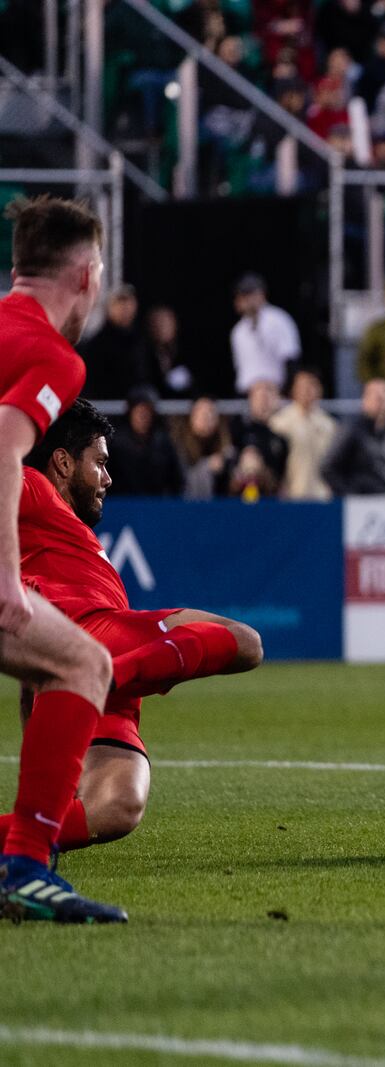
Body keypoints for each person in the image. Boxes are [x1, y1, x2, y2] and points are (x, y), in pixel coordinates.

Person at [4, 400, 262, 869]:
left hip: (98, 660)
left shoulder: (62, 531)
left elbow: (33, 677)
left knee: (119, 805)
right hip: (96, 639)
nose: (107, 478)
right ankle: (108, 677)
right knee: (245, 642)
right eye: (99, 462)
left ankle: (24, 845)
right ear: (63, 462)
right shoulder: (34, 488)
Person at [0, 196, 126, 924]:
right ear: (84, 274)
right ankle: (23, 866)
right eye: (101, 272)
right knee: (84, 665)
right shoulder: (53, 356)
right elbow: (4, 452)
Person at [324, 378, 385, 495]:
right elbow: (328, 468)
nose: (383, 402)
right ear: (365, 401)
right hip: (360, 503)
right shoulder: (352, 430)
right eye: (378, 398)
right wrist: (351, 496)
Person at [268, 369, 337, 501]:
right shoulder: (279, 423)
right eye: (302, 386)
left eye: (312, 385)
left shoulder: (329, 425)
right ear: (293, 390)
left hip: (322, 495)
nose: (307, 390)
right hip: (291, 494)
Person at [229, 274, 301, 396]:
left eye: (250, 295)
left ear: (261, 294)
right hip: (249, 395)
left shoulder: (279, 319)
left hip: (276, 393)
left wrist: (286, 392)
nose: (246, 300)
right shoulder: (238, 331)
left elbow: (291, 360)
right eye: (242, 296)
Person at [78, 284, 151, 400]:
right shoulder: (97, 345)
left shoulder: (143, 340)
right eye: (120, 303)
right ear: (109, 308)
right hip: (109, 409)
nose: (125, 308)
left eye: (129, 302)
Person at [108, 386, 183, 496]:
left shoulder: (163, 443)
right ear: (130, 414)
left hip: (157, 505)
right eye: (139, 412)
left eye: (146, 413)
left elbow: (176, 480)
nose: (143, 417)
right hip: (122, 505)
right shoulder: (116, 445)